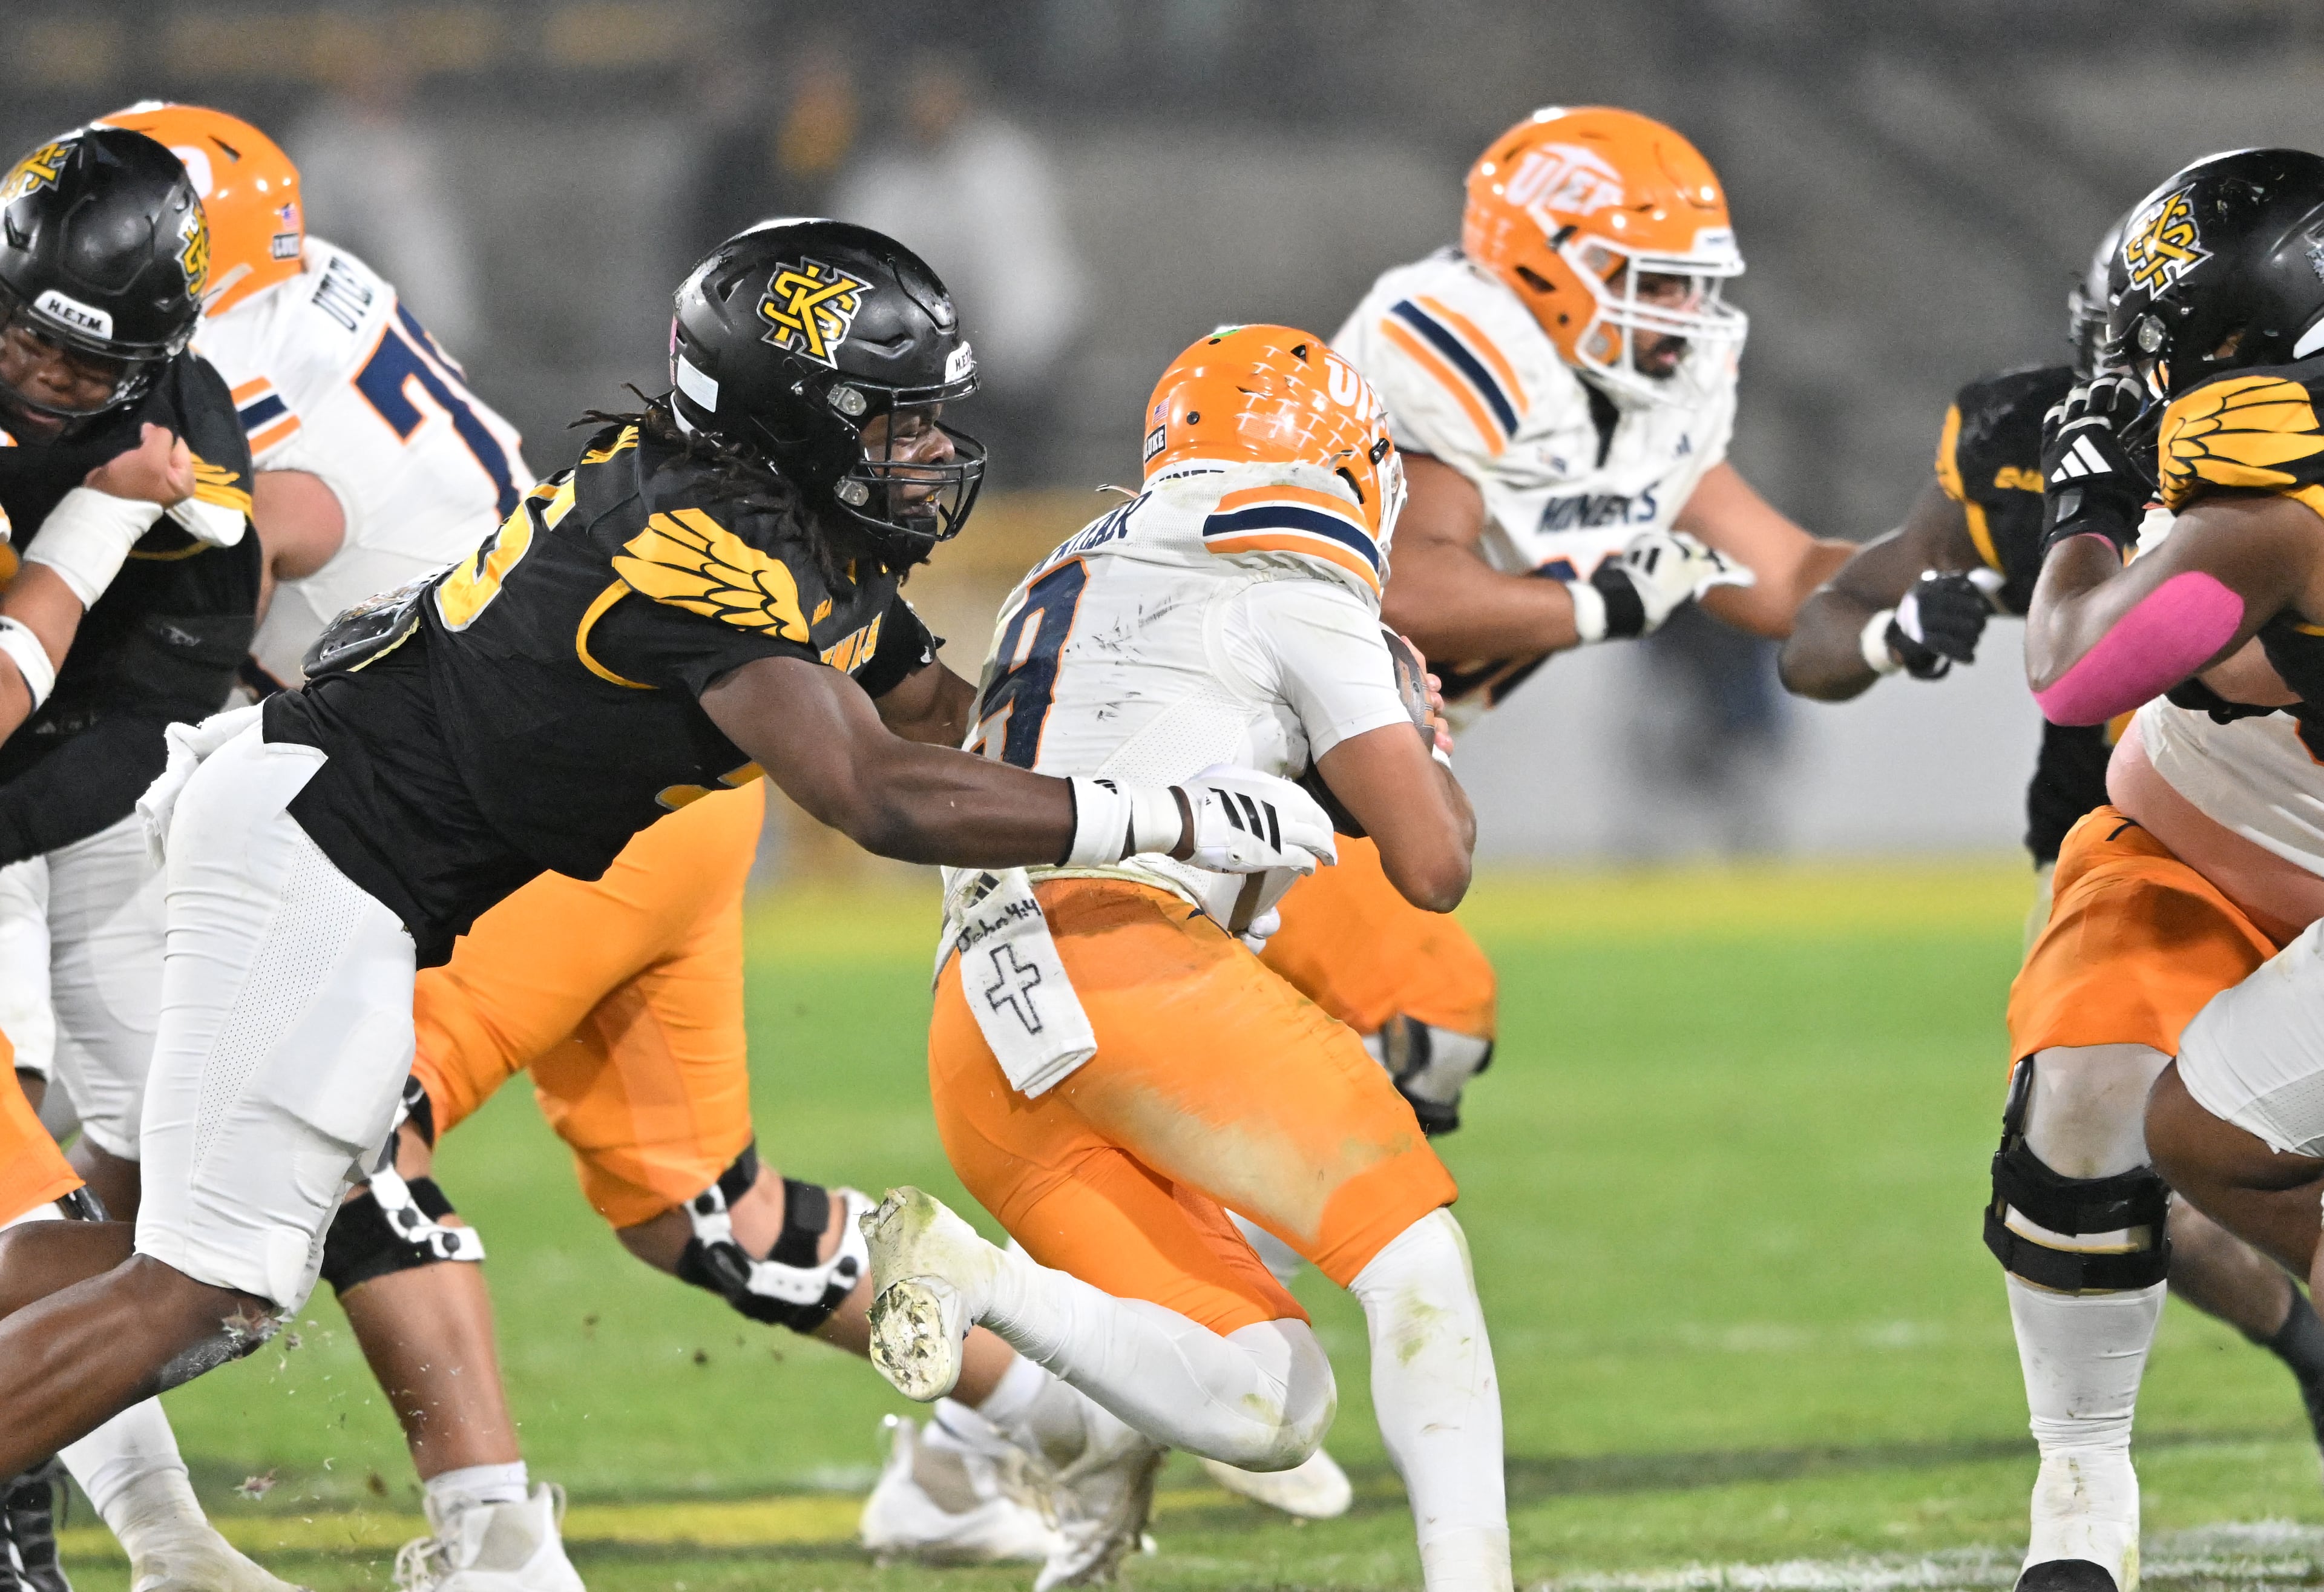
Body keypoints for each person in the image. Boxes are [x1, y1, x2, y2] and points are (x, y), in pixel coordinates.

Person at [0, 217, 1330, 1542]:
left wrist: (1222, 739)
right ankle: (478, 1537)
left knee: (163, 1247)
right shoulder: (702, 543)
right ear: (790, 416)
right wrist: (1166, 812)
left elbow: (938, 707)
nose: (926, 451)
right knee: (206, 1285)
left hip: (325, 853)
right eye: (890, 422)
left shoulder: (761, 512)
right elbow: (873, 793)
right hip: (316, 860)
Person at [861, 324, 1513, 1592]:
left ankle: (973, 1276)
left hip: (981, 1021)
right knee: (1415, 1260)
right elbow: (1434, 864)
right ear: (1340, 457)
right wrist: (1417, 727)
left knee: (1273, 1404)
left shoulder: (1063, 565)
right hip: (1130, 961)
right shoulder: (1289, 568)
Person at [1776, 214, 2324, 1461]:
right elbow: (1822, 628)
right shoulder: (2028, 442)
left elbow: (2122, 661)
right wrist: (1887, 634)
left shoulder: (2274, 480)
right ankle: (2305, 1353)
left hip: (2295, 825)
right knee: (2110, 1169)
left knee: (2215, 1141)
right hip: (2154, 843)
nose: (2119, 371)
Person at [1260, 105, 1852, 1136]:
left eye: (1694, 284)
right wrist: (1600, 604)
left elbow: (1788, 575)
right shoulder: (1458, 347)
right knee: (1422, 1018)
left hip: (1323, 780)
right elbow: (1397, 587)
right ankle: (1210, 1287)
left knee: (1387, 1037)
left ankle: (1203, 1285)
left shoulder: (1625, 396)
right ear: (1541, 265)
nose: (1683, 311)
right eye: (1653, 279)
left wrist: (1961, 562)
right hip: (1231, 757)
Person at [1994, 148, 2324, 1592]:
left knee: (2198, 1136)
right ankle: (2080, 1500)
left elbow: (2083, 668)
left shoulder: (2265, 507)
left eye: (2164, 343)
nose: (2133, 371)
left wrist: (2083, 498)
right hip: (2193, 841)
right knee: (2089, 1095)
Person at [0, 125, 293, 1592]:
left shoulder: (186, 403)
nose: (50, 382)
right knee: (35, 1214)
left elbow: (227, 591)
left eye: (86, 368)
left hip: (88, 790)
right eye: (30, 346)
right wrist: (104, 511)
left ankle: (163, 1539)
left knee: (188, 1221)